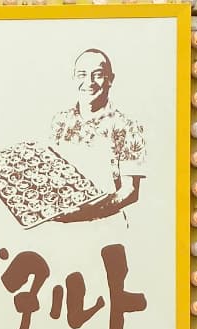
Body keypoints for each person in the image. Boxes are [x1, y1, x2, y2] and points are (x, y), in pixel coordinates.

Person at [49, 48, 146, 225]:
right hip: (61, 228)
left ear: (110, 79)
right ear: (74, 78)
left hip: (106, 227)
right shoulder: (60, 121)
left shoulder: (127, 126)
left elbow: (130, 190)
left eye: (98, 74)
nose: (89, 82)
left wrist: (85, 213)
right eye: (82, 74)